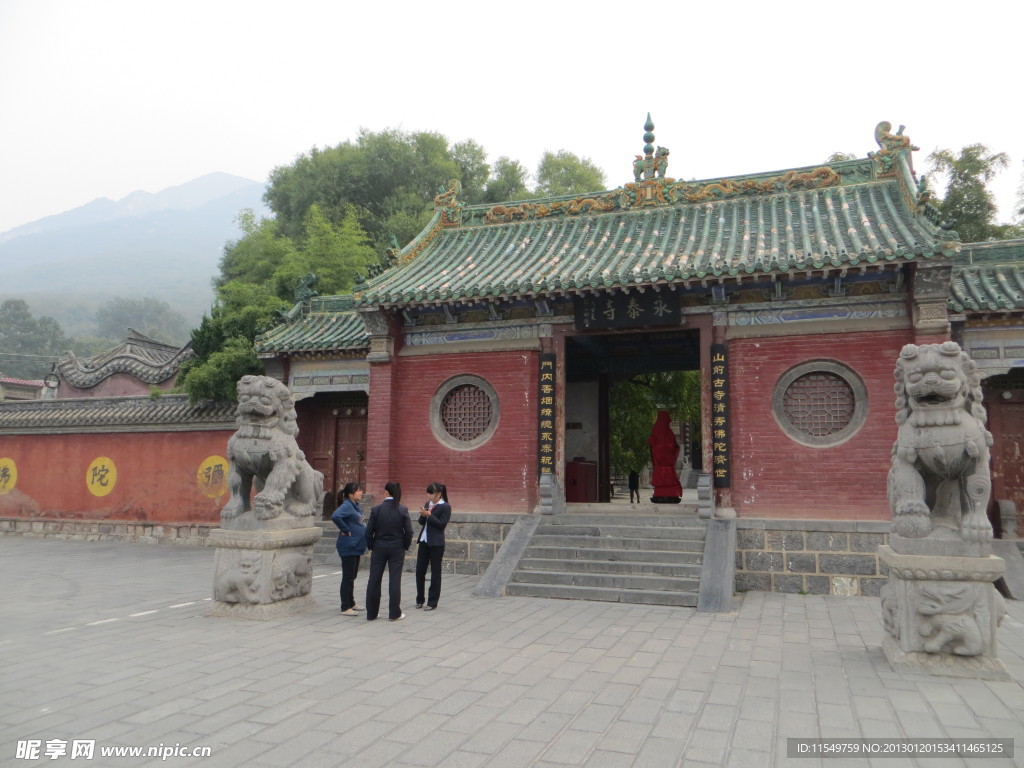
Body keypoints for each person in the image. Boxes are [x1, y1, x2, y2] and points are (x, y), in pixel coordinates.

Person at [364, 481, 412, 621]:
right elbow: (408, 531)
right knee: (395, 580)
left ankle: (372, 613)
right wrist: (405, 545)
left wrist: (372, 545)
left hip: (379, 546)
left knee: (374, 579)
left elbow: (368, 532)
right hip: (397, 548)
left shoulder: (376, 510)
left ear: (386, 492)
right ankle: (394, 613)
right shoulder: (402, 509)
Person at [331, 482, 366, 616]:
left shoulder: (355, 506)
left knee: (352, 575)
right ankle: (345, 607)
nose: (361, 492)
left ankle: (351, 602)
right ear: (351, 494)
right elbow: (335, 516)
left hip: (356, 545)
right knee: (348, 576)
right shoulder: (346, 505)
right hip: (348, 545)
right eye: (358, 491)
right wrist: (345, 529)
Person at [415, 482, 451, 611]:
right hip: (424, 541)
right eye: (428, 493)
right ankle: (420, 599)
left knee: (435, 572)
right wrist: (423, 515)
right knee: (420, 571)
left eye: (431, 493)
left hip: (436, 543)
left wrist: (430, 515)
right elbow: (421, 523)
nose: (429, 496)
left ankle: (432, 601)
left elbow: (441, 525)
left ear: (439, 494)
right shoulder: (427, 504)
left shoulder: (445, 506)